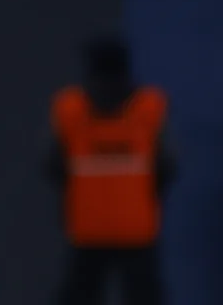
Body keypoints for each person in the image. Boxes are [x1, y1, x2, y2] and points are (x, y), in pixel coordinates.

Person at [47, 36, 174, 305]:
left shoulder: (70, 110)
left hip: (87, 225)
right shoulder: (149, 108)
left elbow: (52, 166)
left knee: (79, 294)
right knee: (144, 296)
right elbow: (168, 167)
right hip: (136, 226)